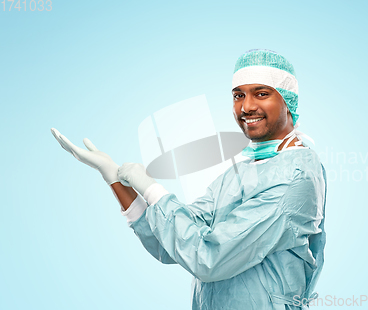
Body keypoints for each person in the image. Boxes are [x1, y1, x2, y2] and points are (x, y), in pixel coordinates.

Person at [51, 49, 327, 310]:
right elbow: (173, 243)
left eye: (261, 93)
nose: (246, 107)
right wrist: (115, 180)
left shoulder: (296, 177)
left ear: (288, 100)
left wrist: (152, 188)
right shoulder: (241, 173)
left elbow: (209, 258)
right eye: (238, 95)